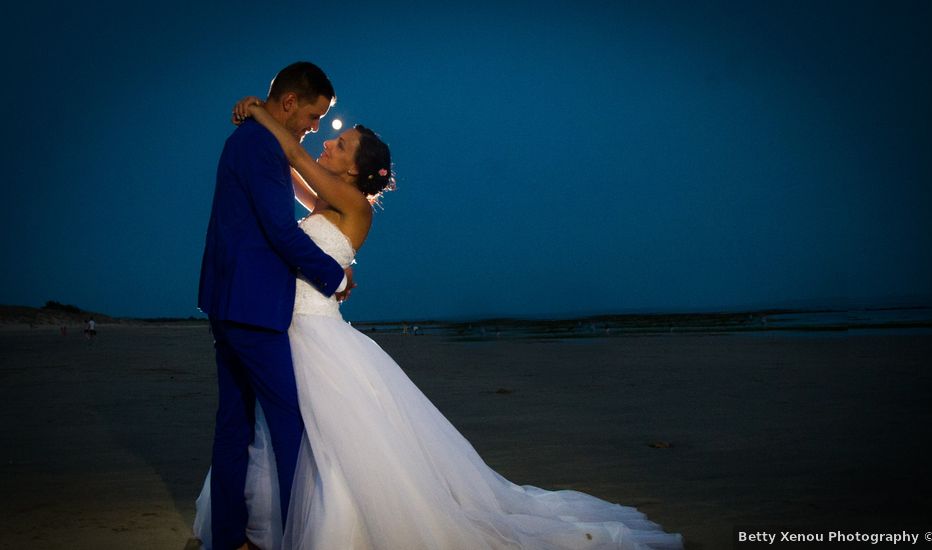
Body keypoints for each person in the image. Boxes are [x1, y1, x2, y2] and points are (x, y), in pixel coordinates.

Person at [195, 93, 683, 548]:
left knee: (315, 435)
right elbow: (289, 172)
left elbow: (295, 159)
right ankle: (273, 523)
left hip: (312, 330)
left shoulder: (353, 205)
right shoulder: (330, 199)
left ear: (356, 171)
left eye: (339, 144)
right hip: (291, 323)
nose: (327, 142)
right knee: (297, 430)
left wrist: (261, 113)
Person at [196, 61, 354, 550]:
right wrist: (335, 275)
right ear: (289, 103)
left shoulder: (244, 139)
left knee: (234, 425)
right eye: (312, 115)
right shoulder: (263, 147)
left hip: (225, 302)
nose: (312, 127)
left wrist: (256, 111)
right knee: (290, 427)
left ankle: (228, 538)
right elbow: (280, 233)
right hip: (255, 309)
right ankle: (299, 536)